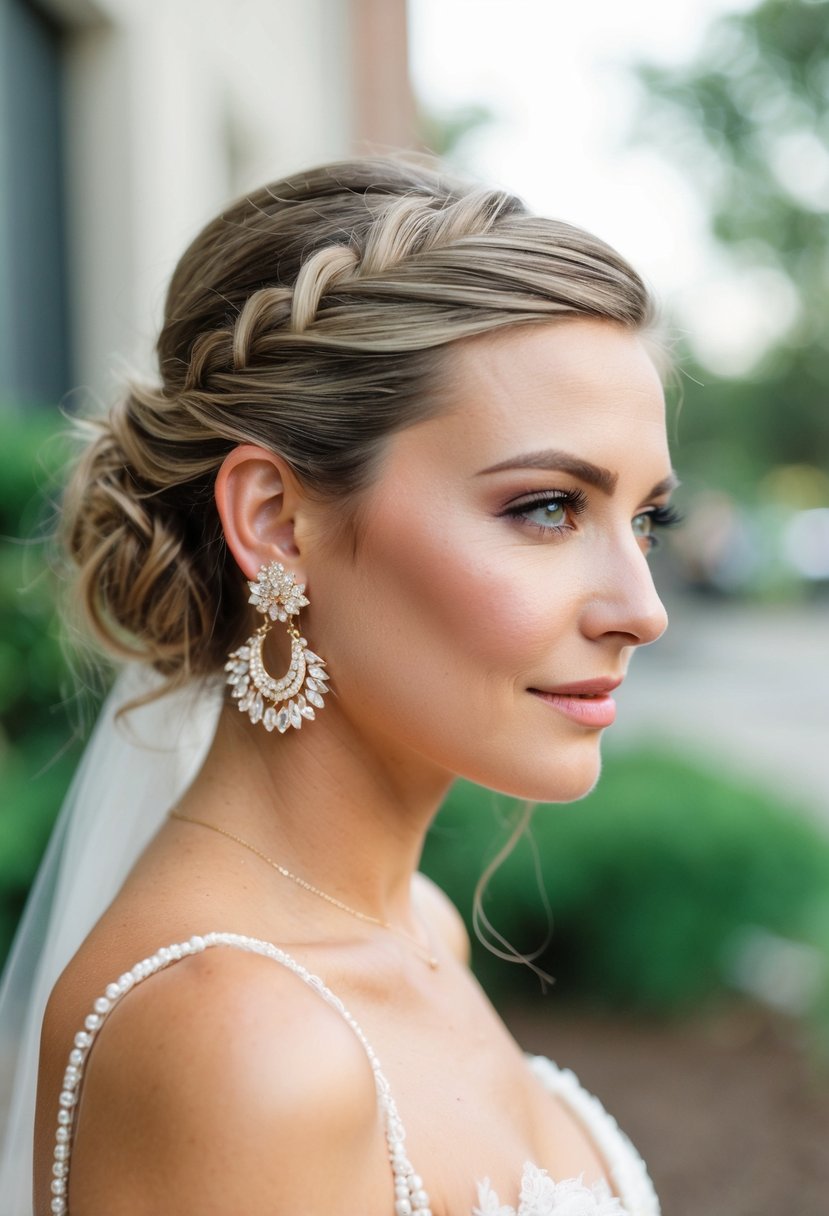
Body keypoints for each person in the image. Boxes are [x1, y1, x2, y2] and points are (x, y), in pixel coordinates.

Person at [0, 156, 679, 1215]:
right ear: (275, 521)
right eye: (547, 507)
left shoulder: (418, 924)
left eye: (646, 519)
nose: (641, 607)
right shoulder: (237, 1040)